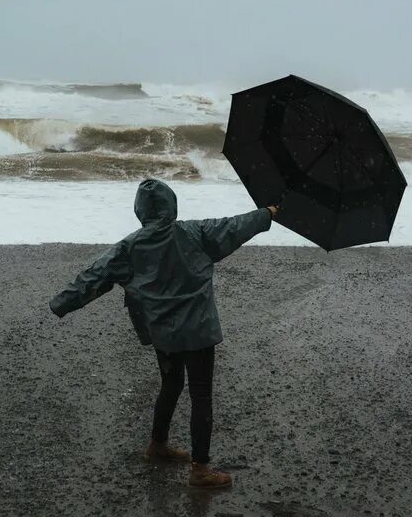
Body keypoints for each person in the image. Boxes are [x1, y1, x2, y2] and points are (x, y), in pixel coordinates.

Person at [49, 178, 277, 489]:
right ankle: (200, 469)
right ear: (172, 204)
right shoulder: (195, 233)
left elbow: (94, 276)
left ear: (140, 211)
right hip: (197, 331)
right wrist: (267, 213)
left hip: (164, 334)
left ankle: (157, 445)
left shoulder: (130, 246)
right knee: (201, 395)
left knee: (171, 384)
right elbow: (235, 226)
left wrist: (62, 302)